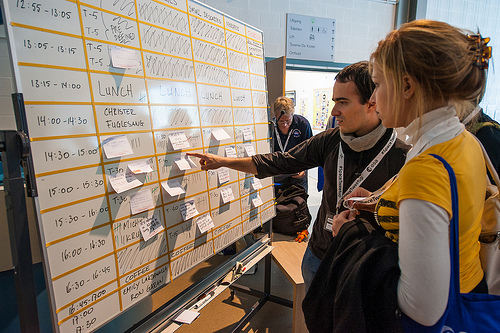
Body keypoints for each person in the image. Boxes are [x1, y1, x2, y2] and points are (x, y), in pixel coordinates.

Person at [188, 61, 409, 290]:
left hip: (363, 266)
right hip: (319, 254)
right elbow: (279, 161)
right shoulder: (330, 140)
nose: (334, 111)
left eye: (343, 102)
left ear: (372, 103)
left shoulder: (401, 158)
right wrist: (222, 162)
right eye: (335, 102)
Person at [335, 20, 490, 327]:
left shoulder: (426, 167)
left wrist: (350, 237)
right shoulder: (462, 140)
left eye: (378, 84)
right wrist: (381, 203)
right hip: (469, 291)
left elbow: (421, 307)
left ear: (407, 86)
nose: (374, 99)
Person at [271, 96, 312, 192]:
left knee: (299, 204)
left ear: (292, 115)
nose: (285, 124)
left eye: (288, 121)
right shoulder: (270, 127)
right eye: (281, 121)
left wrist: (305, 169)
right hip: (277, 176)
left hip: (298, 176)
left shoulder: (303, 124)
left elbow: (311, 150)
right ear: (275, 116)